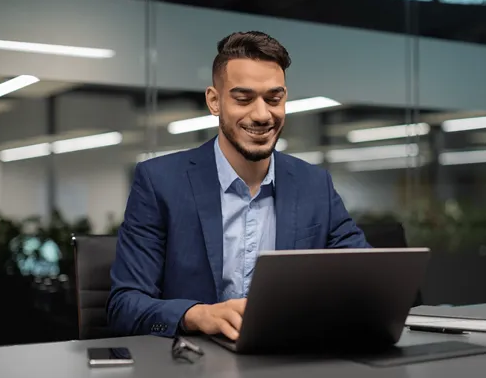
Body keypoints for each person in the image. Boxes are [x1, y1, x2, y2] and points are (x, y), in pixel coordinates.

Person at [107, 31, 370, 341]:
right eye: (243, 98)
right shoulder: (159, 182)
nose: (262, 115)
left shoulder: (315, 184)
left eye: (274, 98)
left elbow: (367, 280)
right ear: (214, 101)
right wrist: (198, 315)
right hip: (195, 363)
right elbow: (123, 307)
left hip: (292, 358)